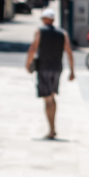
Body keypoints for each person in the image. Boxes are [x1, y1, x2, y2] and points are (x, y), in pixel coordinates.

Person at [24, 9, 75, 140]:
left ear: (46, 19)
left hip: (44, 68)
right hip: (57, 69)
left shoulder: (39, 31)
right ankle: (53, 128)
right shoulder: (62, 33)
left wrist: (28, 64)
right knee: (51, 96)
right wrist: (72, 71)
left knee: (48, 99)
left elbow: (33, 48)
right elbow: (69, 51)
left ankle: (52, 130)